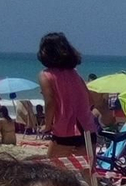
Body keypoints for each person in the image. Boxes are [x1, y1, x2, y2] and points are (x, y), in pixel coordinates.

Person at [36, 32, 101, 173]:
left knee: (51, 170)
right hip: (87, 129)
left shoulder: (45, 75)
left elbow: (50, 102)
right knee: (88, 174)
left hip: (65, 131)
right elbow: (90, 101)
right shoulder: (75, 73)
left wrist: (47, 125)